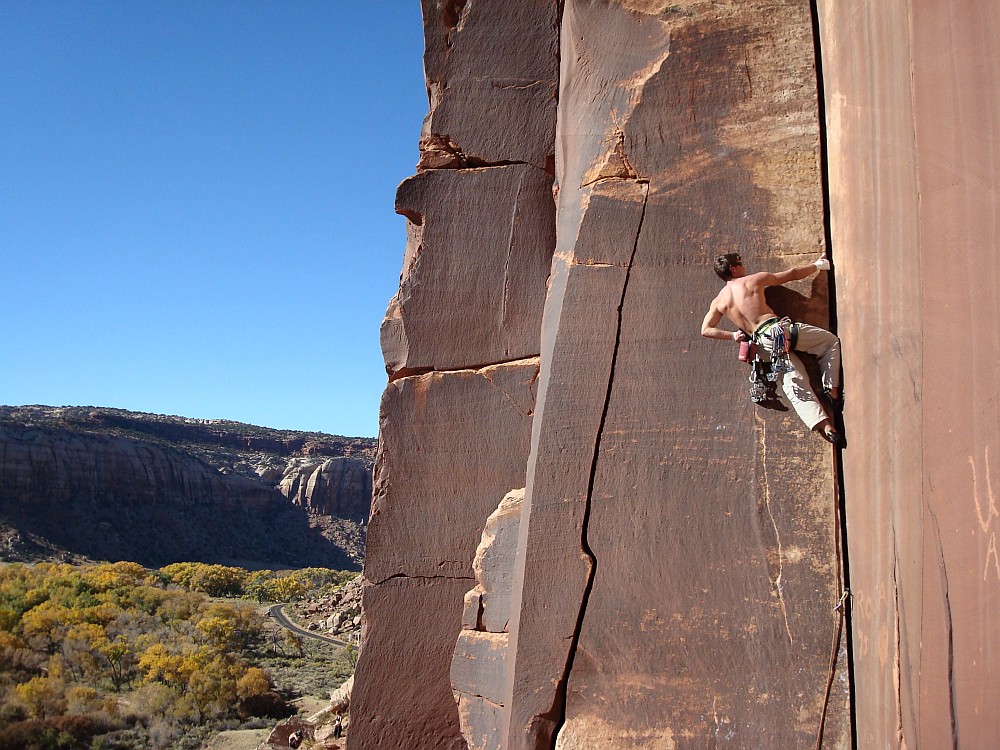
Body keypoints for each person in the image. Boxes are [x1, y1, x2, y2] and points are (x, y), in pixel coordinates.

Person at [701, 252, 844, 447]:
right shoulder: (752, 281)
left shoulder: (719, 302)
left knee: (795, 383)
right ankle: (832, 390)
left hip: (763, 346)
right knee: (829, 342)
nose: (744, 266)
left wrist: (734, 336)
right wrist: (819, 265)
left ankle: (826, 427)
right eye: (740, 264)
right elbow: (791, 273)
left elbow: (706, 330)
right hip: (778, 331)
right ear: (733, 269)